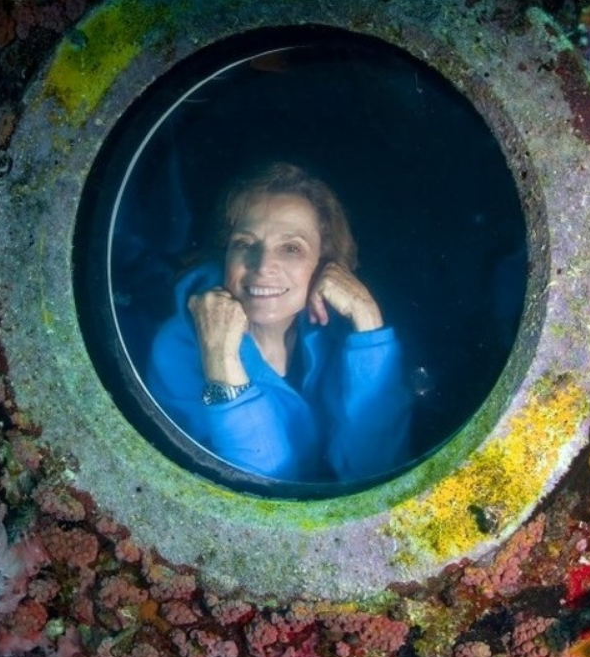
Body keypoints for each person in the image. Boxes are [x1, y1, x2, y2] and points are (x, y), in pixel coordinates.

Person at [145, 162, 411, 483]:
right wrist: (220, 361)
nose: (263, 266)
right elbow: (263, 491)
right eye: (245, 243)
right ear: (225, 255)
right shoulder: (176, 348)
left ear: (324, 263)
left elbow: (375, 469)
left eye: (290, 248)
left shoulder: (338, 333)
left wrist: (369, 325)